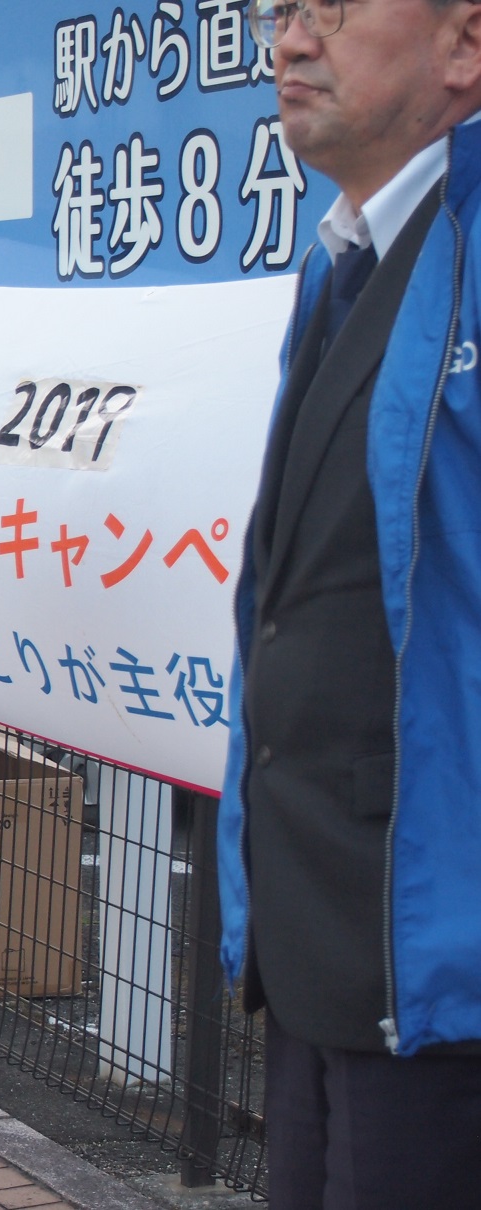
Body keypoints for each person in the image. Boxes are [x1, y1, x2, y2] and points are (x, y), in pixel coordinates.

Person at [220, 2, 481, 1205]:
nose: (288, 42)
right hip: (326, 922)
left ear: (460, 44)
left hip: (437, 940)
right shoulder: (348, 259)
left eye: (331, 8)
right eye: (282, 12)